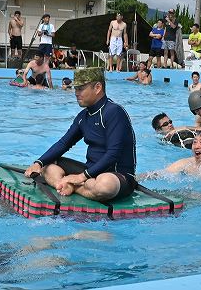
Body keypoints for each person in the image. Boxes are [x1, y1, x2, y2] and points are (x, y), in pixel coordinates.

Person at [24, 68, 137, 201]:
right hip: (90, 172)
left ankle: (74, 186)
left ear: (97, 87)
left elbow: (113, 153)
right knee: (47, 166)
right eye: (75, 89)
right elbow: (64, 143)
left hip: (117, 176)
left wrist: (81, 177)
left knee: (105, 185)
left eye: (80, 89)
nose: (76, 93)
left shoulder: (114, 112)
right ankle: (64, 185)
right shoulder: (83, 116)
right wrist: (38, 163)